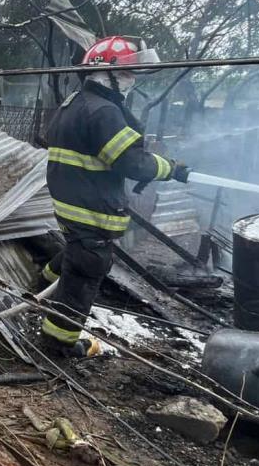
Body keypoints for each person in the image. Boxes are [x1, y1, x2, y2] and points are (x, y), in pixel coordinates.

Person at [40, 36, 191, 357]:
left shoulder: (74, 103)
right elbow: (132, 163)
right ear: (103, 73)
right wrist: (171, 168)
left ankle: (40, 283)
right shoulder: (104, 111)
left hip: (71, 205)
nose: (131, 80)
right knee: (87, 267)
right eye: (125, 74)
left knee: (76, 252)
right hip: (90, 210)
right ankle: (58, 343)